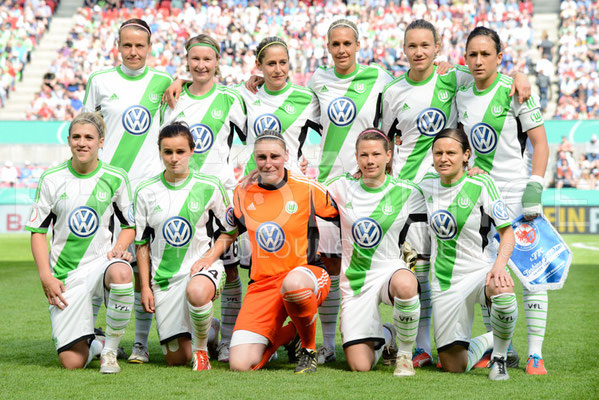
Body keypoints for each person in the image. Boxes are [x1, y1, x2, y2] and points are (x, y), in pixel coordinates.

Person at [380, 19, 530, 368]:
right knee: (418, 269)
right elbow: (385, 136)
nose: (418, 52)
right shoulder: (392, 92)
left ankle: (496, 345)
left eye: (425, 46)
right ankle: (419, 346)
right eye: (412, 46)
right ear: (404, 49)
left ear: (437, 48)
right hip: (411, 193)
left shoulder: (455, 76)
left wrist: (522, 76)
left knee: (463, 263)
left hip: (450, 188)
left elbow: (491, 76)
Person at [455, 26, 550, 375]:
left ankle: (535, 354)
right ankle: (500, 349)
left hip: (515, 192)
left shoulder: (515, 90)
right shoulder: (461, 94)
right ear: (465, 59)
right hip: (480, 195)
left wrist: (535, 186)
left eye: (485, 54)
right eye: (472, 55)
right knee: (490, 275)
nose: (479, 60)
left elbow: (540, 143)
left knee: (531, 274)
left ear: (499, 56)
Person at [83, 18, 174, 364]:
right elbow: (87, 130)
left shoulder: (164, 81)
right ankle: (94, 335)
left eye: (140, 46)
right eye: (127, 45)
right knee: (101, 262)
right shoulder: (99, 81)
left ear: (150, 49)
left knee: (143, 269)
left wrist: (178, 79)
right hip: (108, 188)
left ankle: (139, 344)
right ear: (117, 47)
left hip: (149, 189)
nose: (134, 52)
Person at [159, 33, 246, 363]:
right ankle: (202, 327)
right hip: (181, 198)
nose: (201, 65)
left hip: (220, 196)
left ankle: (228, 339)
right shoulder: (172, 98)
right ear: (187, 60)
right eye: (195, 59)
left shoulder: (231, 98)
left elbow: (251, 138)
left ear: (217, 62)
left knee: (232, 267)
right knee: (186, 263)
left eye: (207, 59)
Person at [26, 112, 135, 373]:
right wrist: (46, 277)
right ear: (68, 141)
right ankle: (95, 343)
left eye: (89, 137)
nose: (82, 142)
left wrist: (120, 247)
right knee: (72, 363)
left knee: (121, 270)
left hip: (101, 264)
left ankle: (109, 352)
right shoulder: (51, 178)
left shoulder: (116, 177)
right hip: (66, 275)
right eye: (76, 137)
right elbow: (38, 232)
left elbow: (129, 226)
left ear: (101, 142)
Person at [229, 130, 338, 374]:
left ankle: (308, 349)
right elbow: (229, 230)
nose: (268, 163)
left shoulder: (307, 188)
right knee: (240, 365)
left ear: (287, 155)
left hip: (306, 274)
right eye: (261, 157)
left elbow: (342, 212)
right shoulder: (242, 191)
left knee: (295, 284)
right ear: (254, 159)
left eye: (274, 156)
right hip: (263, 285)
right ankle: (290, 336)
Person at [325, 128, 429, 376]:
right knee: (359, 366)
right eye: (364, 155)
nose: (370, 161)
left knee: (406, 283)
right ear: (356, 157)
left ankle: (404, 355)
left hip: (389, 269)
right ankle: (387, 334)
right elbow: (306, 191)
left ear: (388, 156)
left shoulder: (407, 191)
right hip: (356, 282)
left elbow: (442, 195)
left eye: (375, 154)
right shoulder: (340, 186)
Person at [134, 122, 237, 371]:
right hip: (165, 279)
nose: (174, 158)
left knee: (198, 292)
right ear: (160, 152)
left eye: (180, 151)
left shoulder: (209, 185)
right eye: (167, 152)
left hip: (200, 270)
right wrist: (146, 287)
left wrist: (209, 258)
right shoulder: (145, 191)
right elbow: (141, 244)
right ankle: (209, 328)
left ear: (192, 150)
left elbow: (230, 230)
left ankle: (201, 352)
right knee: (176, 359)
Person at [418, 127, 518, 381]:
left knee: (502, 288)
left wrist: (498, 267)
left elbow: (508, 234)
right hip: (444, 282)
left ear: (466, 155)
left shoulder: (481, 182)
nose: (444, 158)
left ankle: (500, 358)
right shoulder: (426, 186)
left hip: (478, 272)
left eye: (451, 152)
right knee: (454, 366)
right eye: (438, 152)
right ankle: (490, 340)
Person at [236, 36, 321, 176]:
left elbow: (334, 131)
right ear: (258, 64)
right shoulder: (245, 93)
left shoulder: (306, 98)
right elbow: (209, 92)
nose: (278, 69)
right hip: (253, 185)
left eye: (283, 62)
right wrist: (187, 82)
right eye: (271, 64)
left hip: (291, 187)